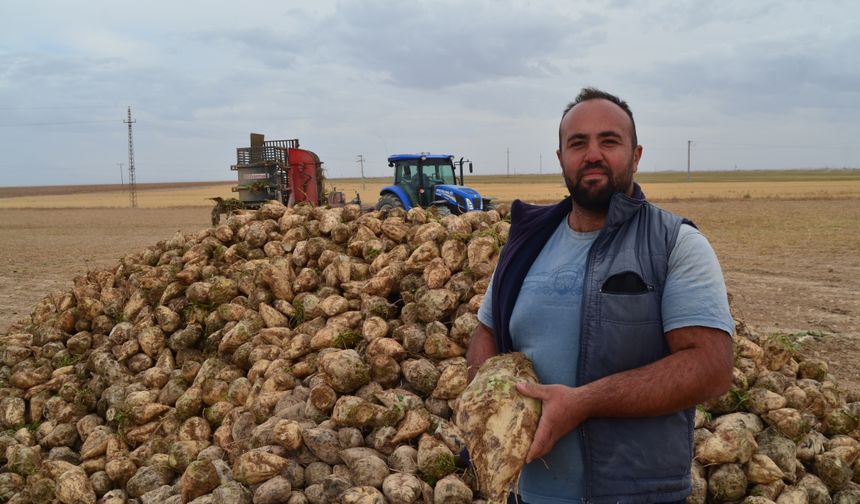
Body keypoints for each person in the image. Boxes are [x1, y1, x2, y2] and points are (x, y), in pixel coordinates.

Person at [466, 87, 735, 504]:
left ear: (636, 154)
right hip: (530, 494)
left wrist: (584, 402)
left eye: (609, 141)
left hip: (636, 495)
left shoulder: (673, 243)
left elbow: (711, 367)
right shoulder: (527, 241)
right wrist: (489, 397)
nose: (592, 154)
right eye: (578, 143)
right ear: (561, 159)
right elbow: (486, 330)